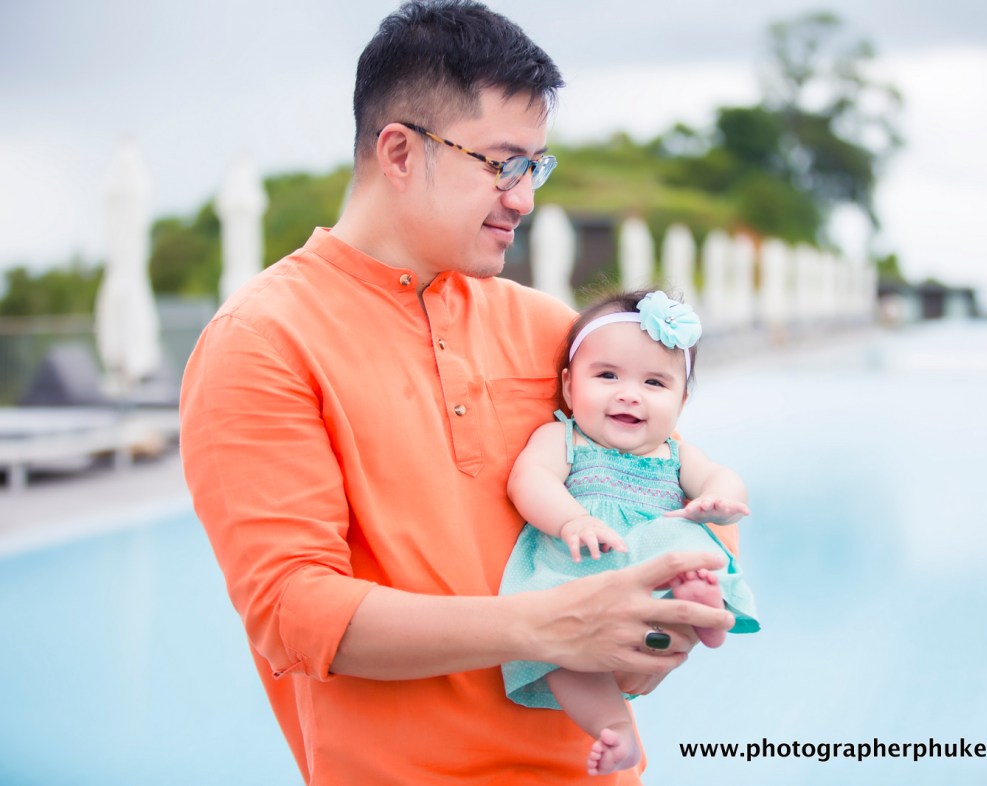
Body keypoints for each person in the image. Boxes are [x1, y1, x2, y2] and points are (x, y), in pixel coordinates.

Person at [178, 2, 737, 784]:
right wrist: (550, 625)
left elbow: (666, 475)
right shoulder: (263, 341)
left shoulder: (557, 333)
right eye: (502, 164)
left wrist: (661, 626)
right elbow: (292, 611)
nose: (524, 197)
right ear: (400, 153)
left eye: (536, 166)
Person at [499, 289, 760, 776]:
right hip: (576, 569)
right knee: (555, 655)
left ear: (681, 402)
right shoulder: (563, 438)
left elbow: (721, 477)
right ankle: (615, 728)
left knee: (682, 541)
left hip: (654, 560)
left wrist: (717, 501)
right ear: (569, 386)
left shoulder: (676, 455)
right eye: (607, 376)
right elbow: (529, 479)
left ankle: (699, 607)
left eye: (654, 382)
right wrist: (571, 519)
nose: (629, 394)